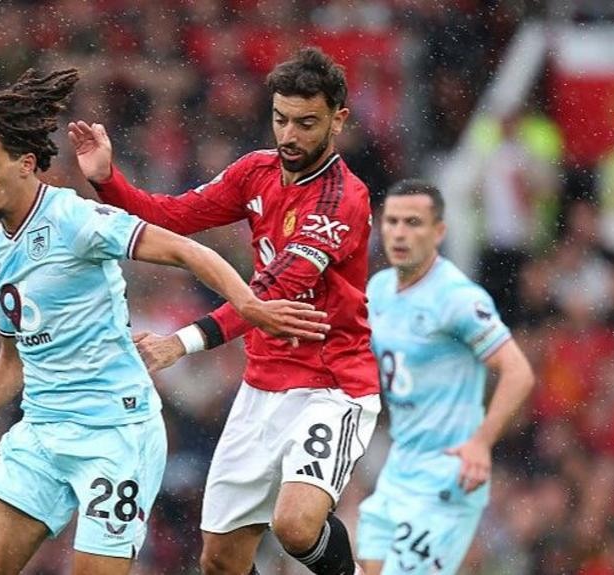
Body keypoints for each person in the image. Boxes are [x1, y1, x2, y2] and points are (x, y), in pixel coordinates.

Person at [0, 67, 331, 575]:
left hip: (116, 434)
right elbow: (13, 361)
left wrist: (249, 306)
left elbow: (186, 250)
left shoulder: (74, 219)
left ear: (25, 164)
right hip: (41, 434)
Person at [68, 47, 380, 575]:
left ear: (338, 120)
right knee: (220, 561)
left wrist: (180, 343)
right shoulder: (255, 171)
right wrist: (107, 180)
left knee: (296, 525)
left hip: (332, 385)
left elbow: (269, 295)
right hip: (262, 386)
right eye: (281, 119)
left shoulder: (341, 200)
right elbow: (173, 216)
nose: (289, 136)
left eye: (306, 123)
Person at [355, 180, 535, 575]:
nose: (399, 233)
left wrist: (481, 442)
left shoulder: (457, 298)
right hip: (399, 467)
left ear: (439, 232)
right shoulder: (379, 289)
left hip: (446, 474)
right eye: (392, 221)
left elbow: (518, 371)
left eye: (413, 223)